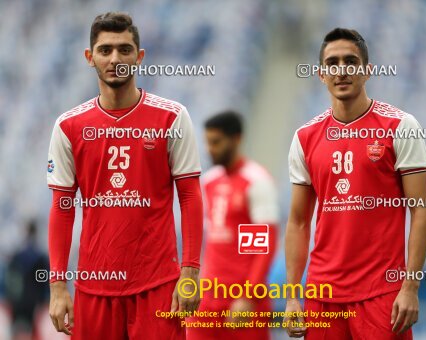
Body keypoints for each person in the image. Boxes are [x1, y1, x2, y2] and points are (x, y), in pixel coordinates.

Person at [46, 12, 203, 339]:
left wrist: (190, 270)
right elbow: (62, 208)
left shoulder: (171, 118)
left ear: (140, 57)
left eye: (124, 49)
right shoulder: (68, 127)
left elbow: (189, 196)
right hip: (93, 288)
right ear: (90, 58)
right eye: (105, 50)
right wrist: (58, 286)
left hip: (158, 286)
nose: (115, 58)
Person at [285, 28, 426, 339]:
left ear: (367, 72)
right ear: (321, 75)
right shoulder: (304, 137)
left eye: (351, 62)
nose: (342, 71)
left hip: (381, 294)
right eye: (332, 63)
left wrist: (410, 287)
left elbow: (421, 212)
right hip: (321, 296)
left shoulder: (401, 126)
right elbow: (298, 221)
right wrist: (292, 295)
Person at [187, 111, 279, 340]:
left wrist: (247, 297)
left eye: (216, 142)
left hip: (241, 301)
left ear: (236, 139)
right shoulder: (209, 181)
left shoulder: (254, 181)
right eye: (208, 142)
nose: (210, 149)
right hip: (208, 297)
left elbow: (262, 246)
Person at [5, 220, 49, 339]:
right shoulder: (40, 256)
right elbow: (45, 279)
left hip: (17, 298)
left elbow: (10, 276)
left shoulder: (16, 254)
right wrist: (45, 298)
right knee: (33, 329)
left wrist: (8, 295)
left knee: (14, 329)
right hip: (34, 299)